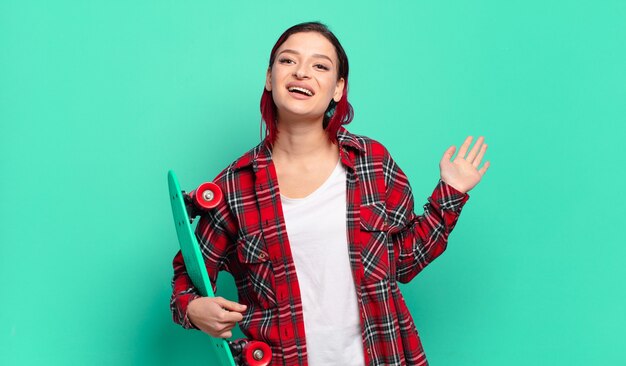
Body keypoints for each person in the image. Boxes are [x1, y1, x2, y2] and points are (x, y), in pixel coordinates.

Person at [170, 21, 490, 366]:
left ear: (338, 88)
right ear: (269, 77)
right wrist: (193, 308)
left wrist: (450, 195)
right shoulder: (234, 186)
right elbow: (188, 276)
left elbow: (403, 263)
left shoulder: (373, 164)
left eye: (319, 65)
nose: (302, 73)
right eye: (288, 61)